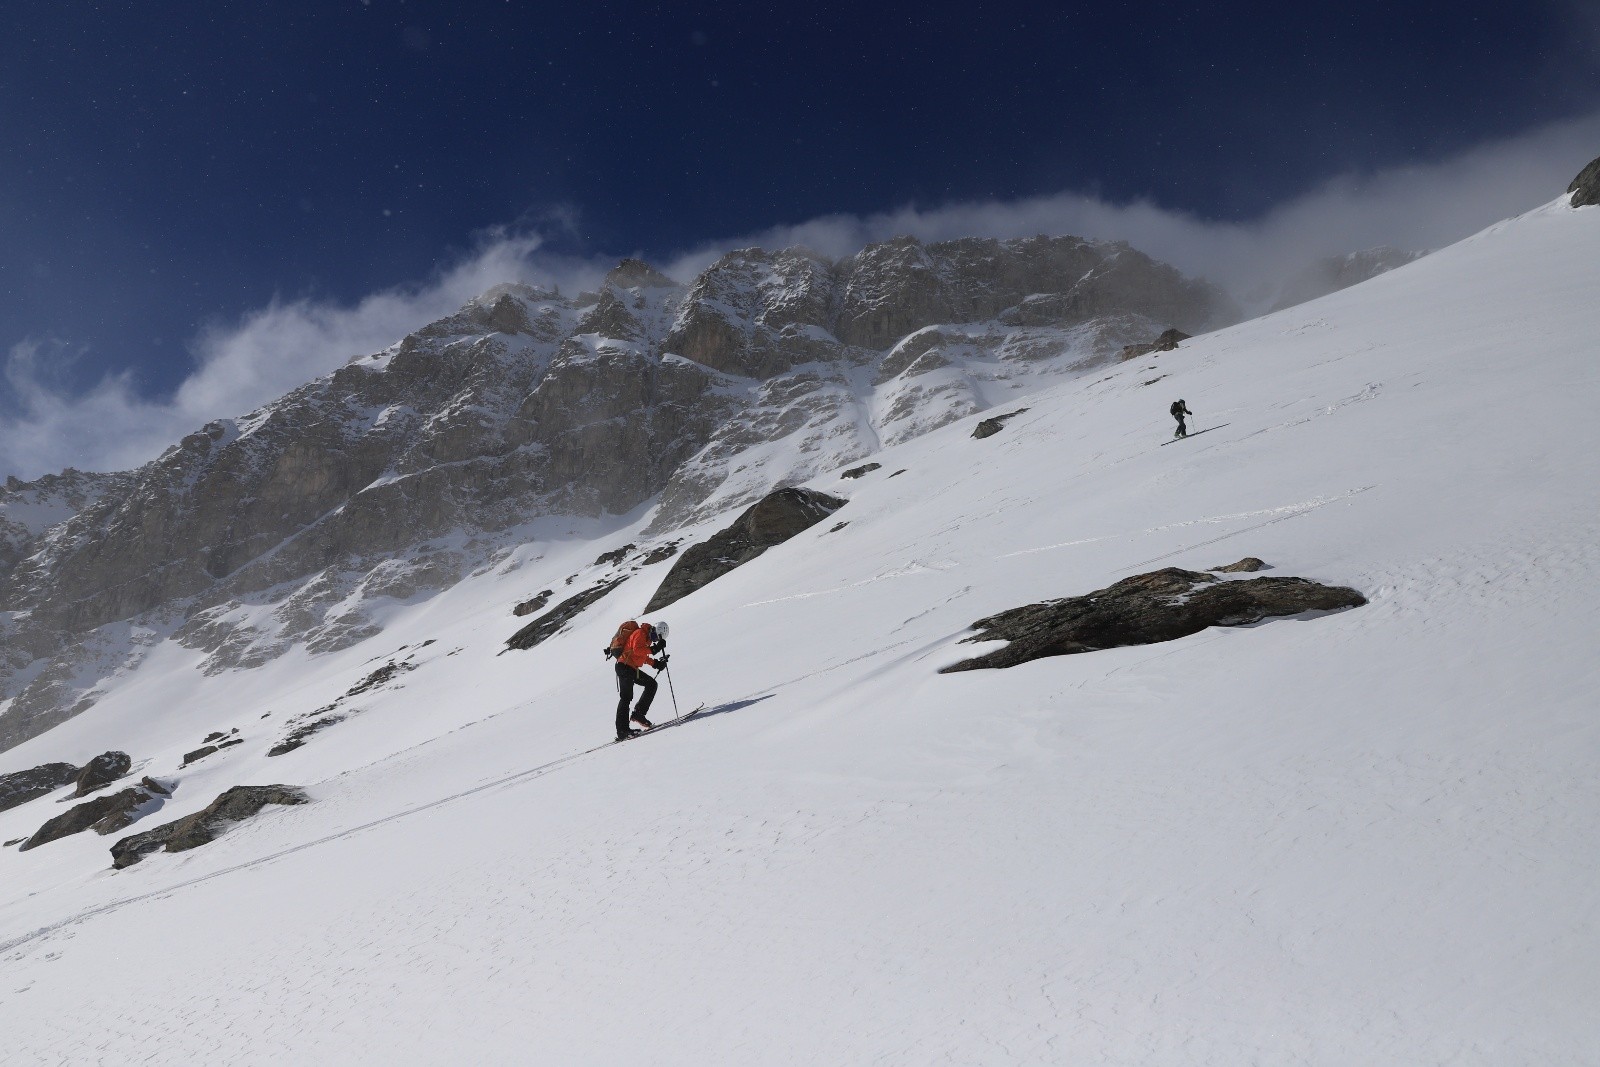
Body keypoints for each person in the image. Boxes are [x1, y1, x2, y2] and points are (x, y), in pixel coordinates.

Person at [610, 620, 669, 740]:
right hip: (624, 666)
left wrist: (656, 663)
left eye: (657, 640)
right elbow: (637, 650)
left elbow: (641, 656)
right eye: (656, 637)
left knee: (651, 684)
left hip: (631, 668)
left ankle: (638, 714)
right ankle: (622, 731)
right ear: (655, 630)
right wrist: (654, 649)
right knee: (626, 697)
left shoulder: (647, 638)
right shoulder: (640, 633)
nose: (655, 640)